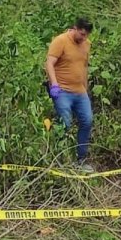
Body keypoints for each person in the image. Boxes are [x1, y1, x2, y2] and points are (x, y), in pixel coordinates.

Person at [45, 18, 95, 171]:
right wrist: (54, 84)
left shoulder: (86, 44)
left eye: (86, 35)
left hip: (79, 91)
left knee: (87, 121)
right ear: (75, 28)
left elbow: (84, 67)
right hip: (62, 90)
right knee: (65, 124)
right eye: (81, 34)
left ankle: (81, 159)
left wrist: (85, 88)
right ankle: (61, 158)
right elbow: (49, 63)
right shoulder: (61, 41)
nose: (83, 38)